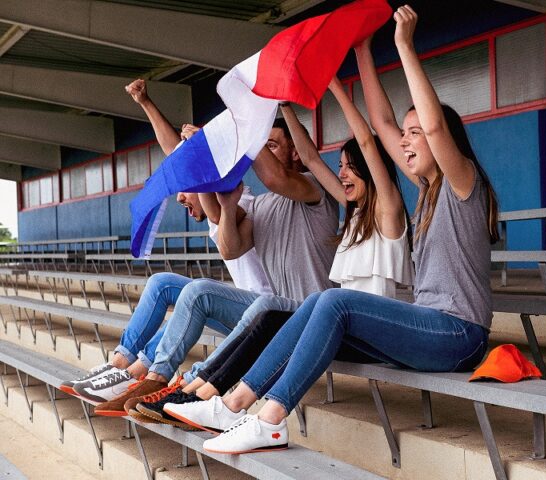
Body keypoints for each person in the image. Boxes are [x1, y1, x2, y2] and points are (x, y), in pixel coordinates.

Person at [190, 5, 499, 454]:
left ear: (440, 141)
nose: (408, 140)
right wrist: (361, 52)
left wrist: (404, 47)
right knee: (316, 303)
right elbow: (382, 125)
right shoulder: (427, 188)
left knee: (332, 302)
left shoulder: (462, 182)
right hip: (430, 329)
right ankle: (234, 402)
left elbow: (430, 124)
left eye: (417, 135)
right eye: (407, 135)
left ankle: (271, 419)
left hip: (458, 335)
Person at [158, 75, 415, 431]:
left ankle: (209, 394)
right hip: (332, 323)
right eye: (338, 166)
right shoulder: (350, 214)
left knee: (270, 308)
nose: (340, 174)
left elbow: (360, 147)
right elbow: (230, 244)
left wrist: (241, 130)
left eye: (349, 167)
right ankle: (201, 394)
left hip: (357, 325)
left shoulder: (370, 207)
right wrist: (281, 106)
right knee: (265, 312)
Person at [70, 83, 340, 417]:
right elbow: (231, 248)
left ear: (295, 151)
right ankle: (153, 378)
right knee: (191, 291)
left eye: (271, 144)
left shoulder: (314, 190)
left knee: (229, 298)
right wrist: (226, 205)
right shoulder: (260, 207)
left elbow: (275, 177)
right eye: (262, 143)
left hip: (308, 314)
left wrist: (229, 139)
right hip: (271, 315)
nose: (263, 150)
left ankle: (187, 384)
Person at [60, 79, 272, 400]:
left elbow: (201, 171)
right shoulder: (213, 205)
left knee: (196, 295)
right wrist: (145, 102)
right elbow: (175, 154)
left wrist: (205, 150)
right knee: (161, 283)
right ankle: (120, 366)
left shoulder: (237, 203)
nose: (179, 199)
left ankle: (139, 375)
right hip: (238, 310)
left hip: (265, 317)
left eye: (184, 190)